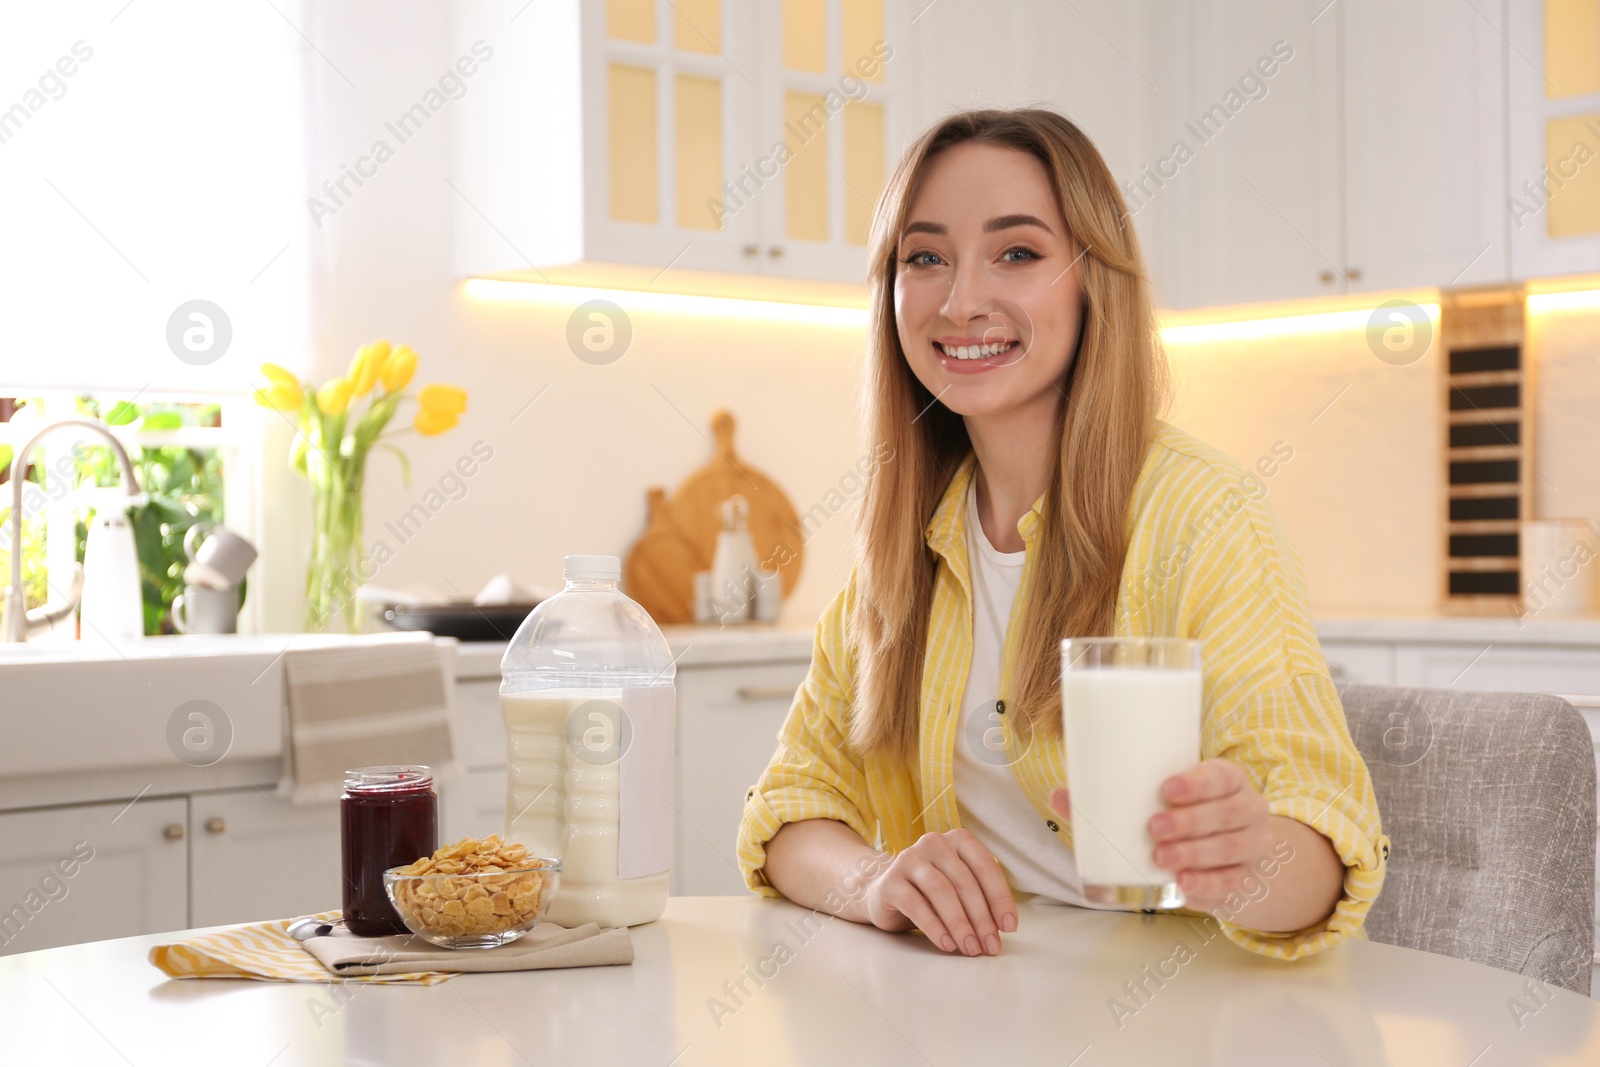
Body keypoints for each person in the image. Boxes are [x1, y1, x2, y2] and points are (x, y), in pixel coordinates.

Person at [735, 107, 1389, 961]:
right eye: (925, 257)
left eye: (1017, 252)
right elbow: (789, 806)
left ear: (1093, 282)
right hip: (958, 1015)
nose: (962, 299)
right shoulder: (909, 540)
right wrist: (875, 880)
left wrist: (1237, 857)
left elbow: (1326, 854)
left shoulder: (1205, 518)